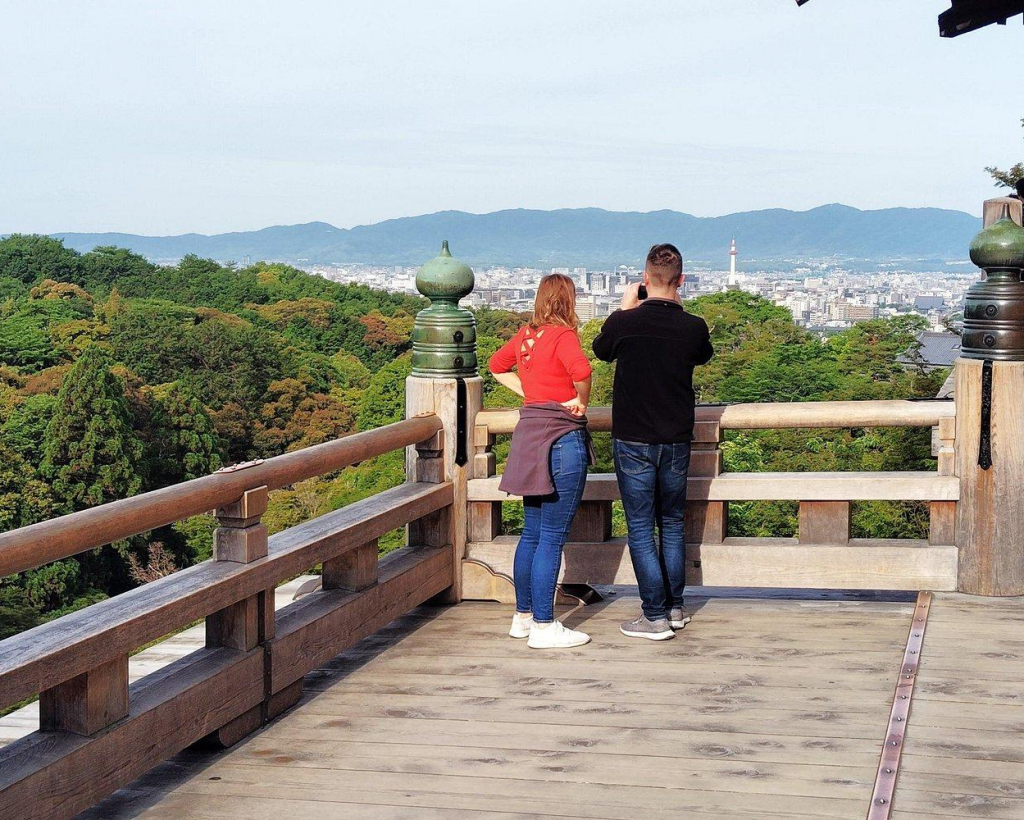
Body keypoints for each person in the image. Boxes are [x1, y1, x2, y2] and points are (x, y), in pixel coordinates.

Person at [592, 243, 713, 641]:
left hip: (633, 438)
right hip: (676, 438)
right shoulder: (693, 327)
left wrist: (625, 309)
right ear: (682, 280)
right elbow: (702, 356)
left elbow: (601, 350)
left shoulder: (624, 323)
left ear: (644, 280)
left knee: (642, 527)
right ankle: (675, 607)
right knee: (672, 524)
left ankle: (654, 616)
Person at [489, 273, 594, 649]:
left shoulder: (526, 336)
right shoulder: (564, 335)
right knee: (551, 537)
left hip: (529, 438)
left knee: (531, 534)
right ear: (568, 300)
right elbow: (582, 371)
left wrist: (529, 391)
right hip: (561, 437)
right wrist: (580, 401)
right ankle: (545, 626)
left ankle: (523, 617)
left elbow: (495, 365)